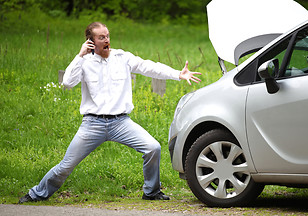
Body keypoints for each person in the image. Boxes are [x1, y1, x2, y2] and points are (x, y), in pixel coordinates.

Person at [19, 22, 201, 203]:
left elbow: (149, 67)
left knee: (153, 148)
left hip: (121, 123)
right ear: (90, 41)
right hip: (92, 125)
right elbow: (67, 82)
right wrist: (80, 55)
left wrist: (178, 74)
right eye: (101, 37)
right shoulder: (84, 62)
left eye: (107, 36)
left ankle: (151, 191)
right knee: (66, 166)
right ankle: (36, 194)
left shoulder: (122, 57)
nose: (106, 40)